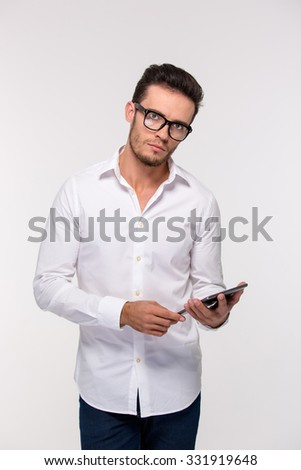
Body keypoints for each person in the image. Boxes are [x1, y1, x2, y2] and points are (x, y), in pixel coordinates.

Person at [33, 63, 245, 450]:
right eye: (154, 117)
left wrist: (217, 313)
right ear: (131, 111)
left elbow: (207, 283)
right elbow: (47, 286)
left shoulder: (200, 200)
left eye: (177, 126)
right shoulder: (79, 192)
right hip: (103, 393)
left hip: (177, 392)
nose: (163, 134)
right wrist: (122, 312)